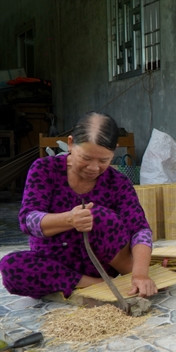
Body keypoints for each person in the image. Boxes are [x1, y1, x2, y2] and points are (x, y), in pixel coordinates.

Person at [0, 112, 158, 299]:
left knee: (97, 216)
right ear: (70, 143)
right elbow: (28, 220)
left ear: (114, 151)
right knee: (11, 267)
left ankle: (121, 277)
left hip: (102, 263)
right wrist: (69, 219)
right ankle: (97, 284)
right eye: (86, 158)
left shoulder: (118, 183)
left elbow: (140, 230)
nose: (94, 168)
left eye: (103, 160)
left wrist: (141, 274)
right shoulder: (44, 169)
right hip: (57, 263)